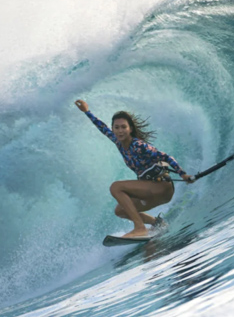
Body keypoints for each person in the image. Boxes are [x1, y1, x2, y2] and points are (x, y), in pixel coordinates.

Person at [75, 99, 194, 239]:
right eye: (116, 127)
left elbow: (166, 157)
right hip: (151, 192)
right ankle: (157, 223)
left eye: (123, 127)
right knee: (120, 210)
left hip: (161, 187)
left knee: (116, 187)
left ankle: (139, 228)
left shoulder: (139, 146)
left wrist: (183, 175)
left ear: (130, 129)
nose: (120, 131)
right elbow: (102, 128)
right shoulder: (118, 143)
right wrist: (87, 111)